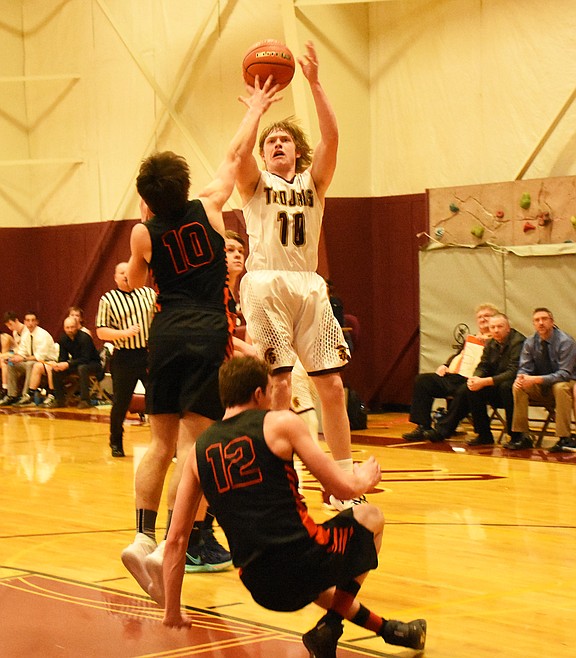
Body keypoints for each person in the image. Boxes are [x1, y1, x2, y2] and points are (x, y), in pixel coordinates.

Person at [120, 79, 279, 596]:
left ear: (147, 198)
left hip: (165, 333)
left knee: (158, 443)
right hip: (207, 330)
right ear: (185, 185)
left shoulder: (142, 233)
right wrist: (256, 108)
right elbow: (235, 154)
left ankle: (141, 538)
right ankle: (170, 546)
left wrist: (143, 233)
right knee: (194, 445)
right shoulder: (209, 207)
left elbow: (135, 280)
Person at [159, 356, 427, 656]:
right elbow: (342, 489)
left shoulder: (197, 452)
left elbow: (176, 539)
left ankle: (389, 630)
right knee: (371, 516)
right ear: (258, 393)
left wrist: (172, 609)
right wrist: (363, 479)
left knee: (310, 581)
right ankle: (332, 626)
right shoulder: (280, 423)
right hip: (304, 560)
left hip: (259, 584)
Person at [236, 41, 356, 510]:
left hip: (308, 284)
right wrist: (256, 113)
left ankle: (342, 484)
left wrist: (315, 83)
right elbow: (239, 155)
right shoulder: (255, 184)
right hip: (266, 283)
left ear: (297, 152)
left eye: (284, 140)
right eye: (271, 142)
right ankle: (281, 483)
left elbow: (333, 139)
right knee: (281, 386)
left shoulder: (313, 183)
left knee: (332, 386)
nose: (277, 144)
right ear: (264, 155)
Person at [402, 303, 499, 441]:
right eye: (480, 317)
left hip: (476, 380)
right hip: (455, 376)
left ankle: (443, 429)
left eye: (487, 316)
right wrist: (445, 365)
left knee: (465, 390)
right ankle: (423, 426)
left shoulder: (497, 341)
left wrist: (488, 342)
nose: (483, 319)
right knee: (423, 380)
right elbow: (458, 356)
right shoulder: (472, 339)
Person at [427, 313, 525, 445]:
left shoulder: (518, 342)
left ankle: (516, 436)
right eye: (493, 327)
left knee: (506, 386)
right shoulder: (491, 343)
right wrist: (475, 378)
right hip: (494, 384)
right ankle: (483, 435)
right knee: (470, 388)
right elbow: (483, 365)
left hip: (513, 385)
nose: (496, 330)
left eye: (500, 327)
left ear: (508, 328)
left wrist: (485, 381)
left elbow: (513, 372)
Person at [96, 262, 156, 457]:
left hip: (148, 354)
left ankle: (164, 444)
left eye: (128, 271)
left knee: (157, 399)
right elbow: (101, 331)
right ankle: (116, 442)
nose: (125, 275)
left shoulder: (148, 294)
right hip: (124, 356)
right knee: (121, 403)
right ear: (115, 278)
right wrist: (124, 333)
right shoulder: (108, 299)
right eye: (121, 272)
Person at [507, 307, 576, 452]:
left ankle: (564, 437)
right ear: (533, 324)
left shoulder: (566, 341)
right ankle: (523, 436)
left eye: (544, 319)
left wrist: (536, 379)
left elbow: (564, 374)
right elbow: (524, 367)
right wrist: (521, 377)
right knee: (518, 386)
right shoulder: (530, 342)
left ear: (552, 322)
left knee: (560, 387)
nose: (541, 323)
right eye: (537, 320)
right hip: (541, 384)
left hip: (565, 383)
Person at [46, 316, 103, 409]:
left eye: (72, 327)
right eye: (67, 327)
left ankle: (85, 400)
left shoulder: (85, 338)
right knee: (55, 371)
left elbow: (85, 359)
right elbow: (63, 357)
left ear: (77, 327)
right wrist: (59, 365)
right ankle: (60, 400)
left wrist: (68, 364)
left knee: (82, 368)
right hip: (77, 363)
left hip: (93, 364)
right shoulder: (63, 339)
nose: (70, 330)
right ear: (64, 328)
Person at [1, 311, 55, 407]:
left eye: (33, 320)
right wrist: (13, 358)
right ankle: (11, 395)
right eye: (28, 320)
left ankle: (26, 396)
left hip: (47, 362)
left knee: (31, 364)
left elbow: (39, 357)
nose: (30, 323)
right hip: (30, 361)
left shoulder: (43, 335)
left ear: (37, 322)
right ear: (25, 322)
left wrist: (23, 359)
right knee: (11, 364)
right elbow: (22, 352)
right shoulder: (26, 335)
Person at [1, 311, 25, 403]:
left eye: (11, 324)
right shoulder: (15, 332)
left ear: (16, 320)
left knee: (5, 362)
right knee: (6, 361)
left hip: (26, 357)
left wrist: (8, 354)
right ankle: (8, 391)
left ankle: (5, 390)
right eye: (8, 326)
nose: (10, 328)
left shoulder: (26, 331)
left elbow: (22, 350)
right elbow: (17, 349)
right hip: (18, 356)